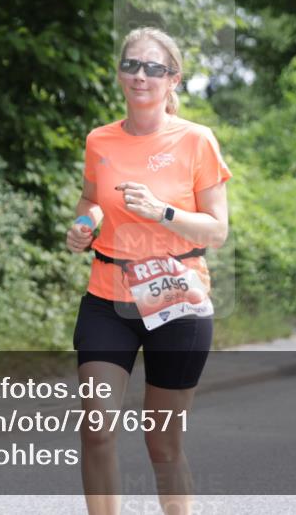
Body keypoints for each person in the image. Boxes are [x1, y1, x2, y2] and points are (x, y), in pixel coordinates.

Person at [65, 27, 230, 515]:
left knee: (163, 445)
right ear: (119, 73)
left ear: (173, 78)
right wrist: (81, 224)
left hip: (177, 298)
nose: (141, 75)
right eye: (132, 65)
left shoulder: (196, 141)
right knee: (96, 424)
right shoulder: (101, 139)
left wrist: (163, 211)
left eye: (154, 68)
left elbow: (216, 232)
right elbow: (93, 199)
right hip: (108, 296)